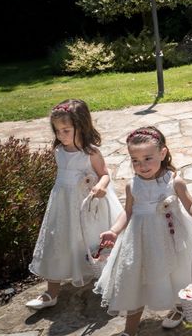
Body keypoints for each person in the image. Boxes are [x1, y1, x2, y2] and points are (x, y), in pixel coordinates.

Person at [94, 126, 192, 336]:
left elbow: (190, 203)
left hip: (171, 239)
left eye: (148, 158)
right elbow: (127, 213)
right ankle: (129, 331)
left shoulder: (174, 182)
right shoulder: (132, 185)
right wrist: (114, 231)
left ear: (162, 153)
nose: (142, 165)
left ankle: (179, 307)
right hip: (140, 242)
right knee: (135, 282)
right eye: (135, 160)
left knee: (177, 274)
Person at [26, 99, 123, 310]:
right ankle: (51, 293)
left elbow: (104, 174)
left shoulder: (91, 152)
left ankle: (105, 277)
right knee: (57, 242)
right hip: (63, 206)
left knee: (91, 242)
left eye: (66, 130)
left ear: (81, 125)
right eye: (57, 131)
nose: (61, 135)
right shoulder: (59, 151)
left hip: (89, 206)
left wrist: (100, 186)